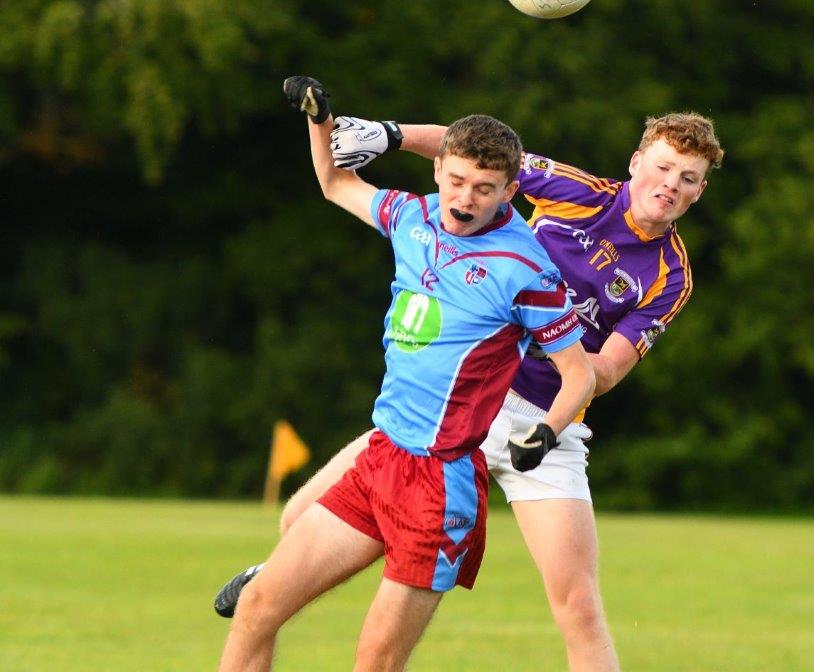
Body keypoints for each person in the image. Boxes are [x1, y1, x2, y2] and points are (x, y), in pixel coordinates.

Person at [216, 108, 725, 672]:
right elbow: (470, 153)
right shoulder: (578, 192)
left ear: (699, 191)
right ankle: (277, 579)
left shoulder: (669, 274)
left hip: (546, 419)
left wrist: (554, 361)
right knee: (297, 517)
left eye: (687, 178)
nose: (669, 185)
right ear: (636, 164)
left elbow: (603, 371)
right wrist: (390, 136)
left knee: (577, 602)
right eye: (662, 168)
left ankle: (283, 585)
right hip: (467, 395)